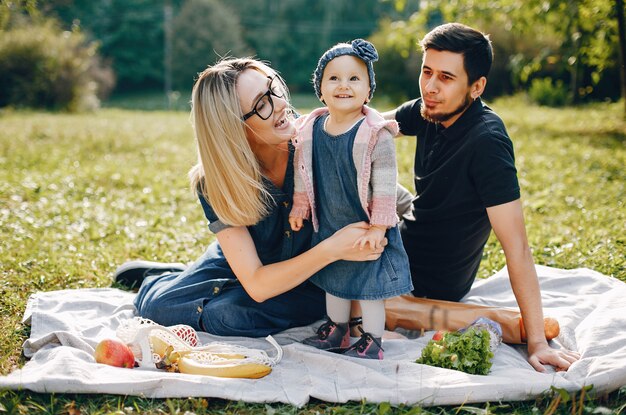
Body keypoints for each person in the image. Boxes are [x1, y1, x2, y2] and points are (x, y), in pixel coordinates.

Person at [116, 57, 388, 338]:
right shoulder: (216, 181)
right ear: (234, 129)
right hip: (254, 266)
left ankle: (194, 280)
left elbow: (387, 193)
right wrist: (332, 248)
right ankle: (167, 281)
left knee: (226, 316)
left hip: (316, 278)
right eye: (262, 104)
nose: (281, 104)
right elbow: (257, 285)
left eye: (274, 89)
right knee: (160, 307)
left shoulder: (320, 141)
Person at [383, 22, 579, 371]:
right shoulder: (432, 108)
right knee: (351, 169)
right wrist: (301, 128)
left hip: (428, 277)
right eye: (427, 72)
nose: (430, 87)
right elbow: (368, 128)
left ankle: (486, 318)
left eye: (445, 77)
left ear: (476, 87)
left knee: (344, 295)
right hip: (411, 226)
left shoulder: (487, 142)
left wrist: (536, 341)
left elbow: (516, 244)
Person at [288, 39, 413, 360]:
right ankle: (337, 329)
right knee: (333, 279)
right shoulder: (310, 128)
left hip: (365, 223)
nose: (344, 85)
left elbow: (385, 185)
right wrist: (300, 205)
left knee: (369, 286)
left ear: (369, 89)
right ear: (320, 88)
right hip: (329, 221)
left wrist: (378, 227)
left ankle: (372, 338)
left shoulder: (375, 133)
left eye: (354, 78)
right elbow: (303, 170)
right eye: (334, 78)